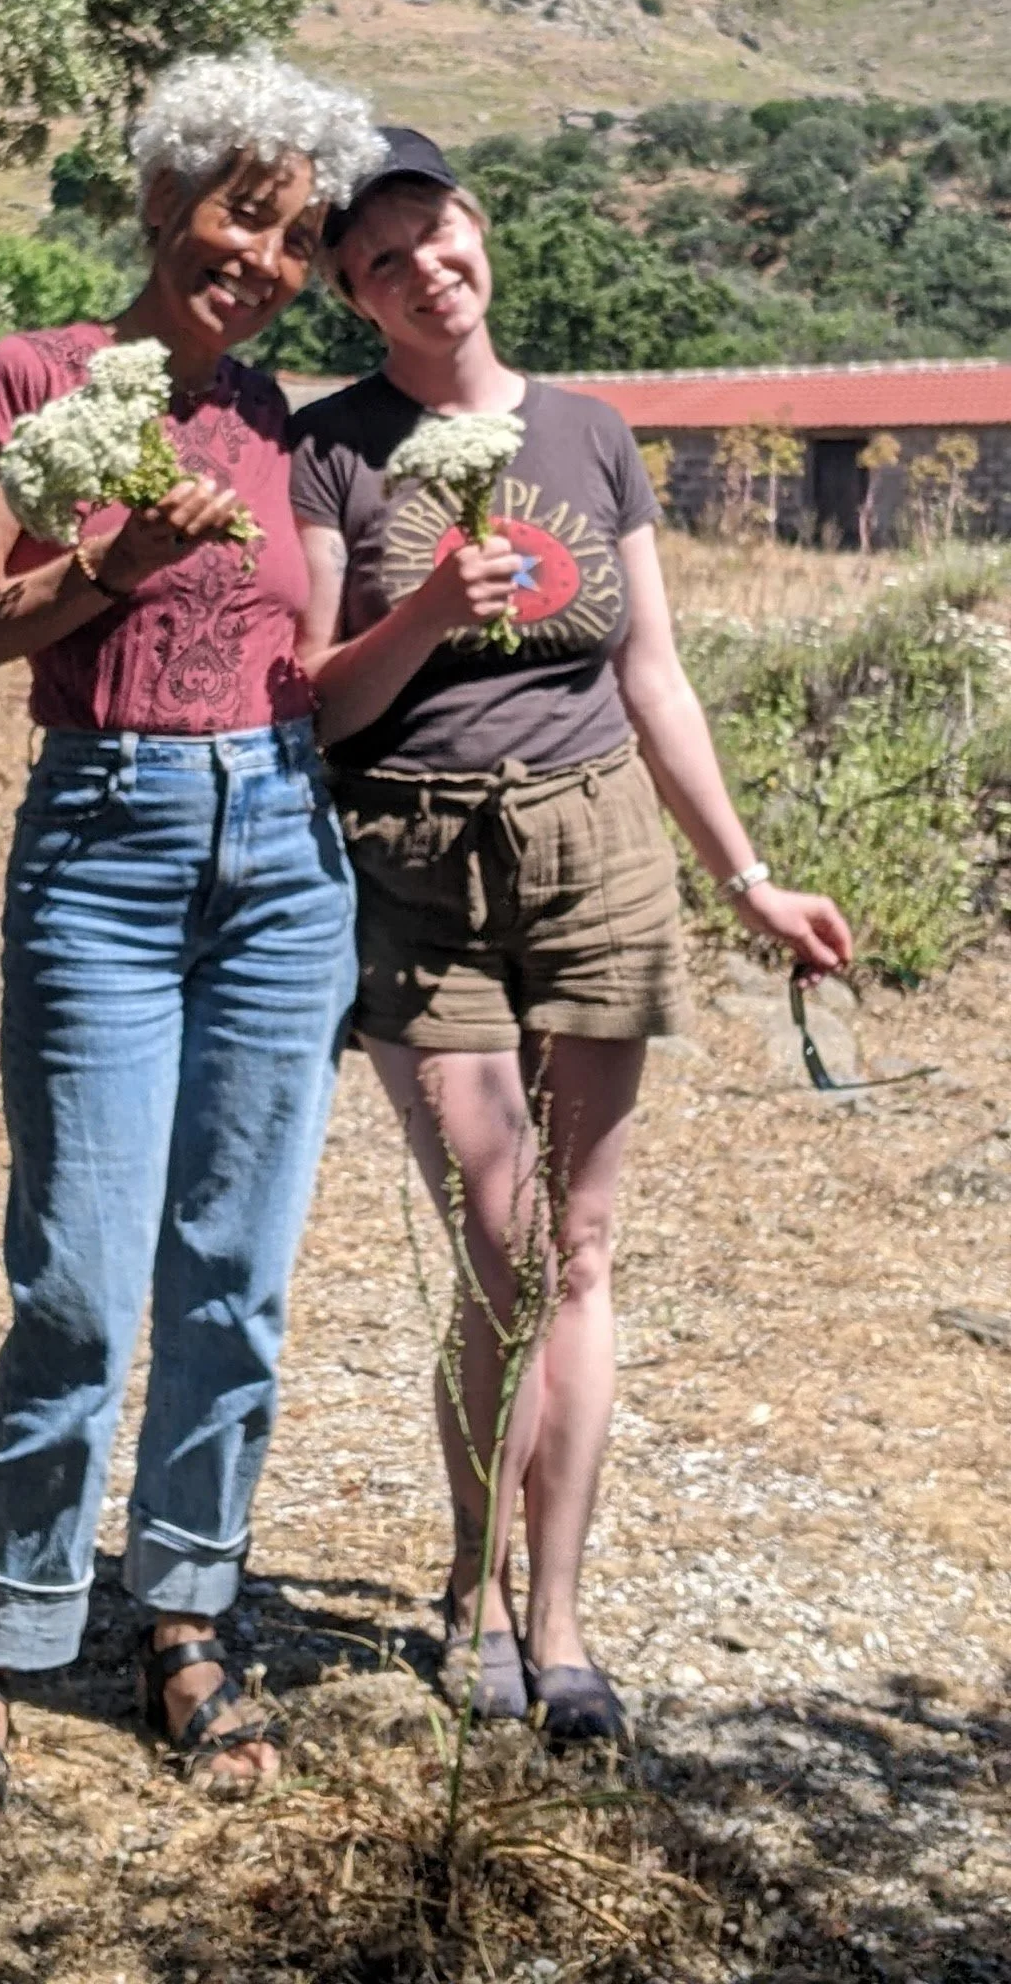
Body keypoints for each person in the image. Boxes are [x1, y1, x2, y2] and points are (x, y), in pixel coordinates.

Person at [289, 125, 852, 1748]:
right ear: (350, 294)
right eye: (379, 258)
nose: (420, 270)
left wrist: (745, 874)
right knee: (503, 1244)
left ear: (481, 235)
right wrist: (432, 613)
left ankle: (562, 1621)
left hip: (599, 852)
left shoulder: (595, 435)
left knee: (584, 1253)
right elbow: (321, 700)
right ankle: (462, 1592)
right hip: (417, 861)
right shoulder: (339, 449)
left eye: (436, 232)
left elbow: (650, 676)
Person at [0, 48, 382, 1833]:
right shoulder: (37, 378)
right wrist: (104, 566)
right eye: (242, 214)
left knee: (233, 1280)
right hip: (101, 843)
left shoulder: (288, 423)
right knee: (83, 1284)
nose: (261, 257)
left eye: (296, 236)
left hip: (281, 847)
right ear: (167, 197)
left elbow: (321, 663)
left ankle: (186, 1615)